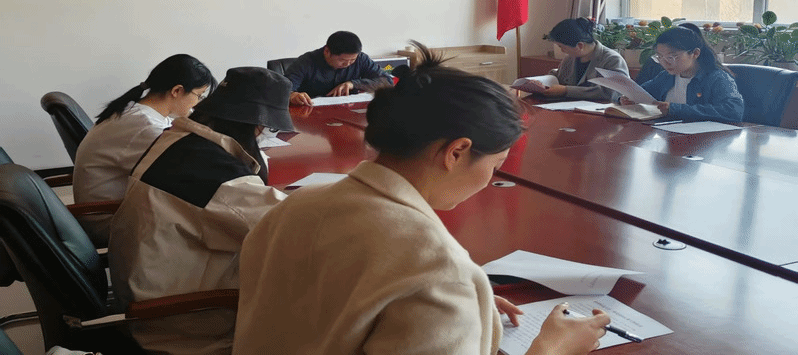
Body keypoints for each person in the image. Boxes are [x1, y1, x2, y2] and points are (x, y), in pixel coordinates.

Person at [233, 44, 610, 355]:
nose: (490, 179)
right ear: (457, 152)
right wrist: (551, 348)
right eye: (496, 164)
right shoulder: (436, 270)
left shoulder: (294, 207)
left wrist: (454, 311)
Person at [108, 67, 294, 355]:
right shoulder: (218, 176)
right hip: (182, 321)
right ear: (254, 126)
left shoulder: (179, 140)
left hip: (151, 289)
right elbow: (292, 228)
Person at [72, 53, 214, 247]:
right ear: (177, 91)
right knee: (210, 224)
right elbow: (185, 170)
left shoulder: (136, 111)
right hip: (108, 220)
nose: (198, 103)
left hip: (107, 210)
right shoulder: (145, 126)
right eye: (199, 95)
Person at [620, 23, 744, 123]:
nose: (665, 62)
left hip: (703, 140)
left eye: (672, 57)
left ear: (695, 53)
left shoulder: (717, 78)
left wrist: (675, 109)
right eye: (660, 57)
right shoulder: (666, 77)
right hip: (669, 135)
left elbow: (734, 111)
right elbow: (641, 92)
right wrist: (629, 99)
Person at [284, 30, 393, 105]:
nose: (348, 64)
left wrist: (353, 84)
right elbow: (284, 89)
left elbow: (387, 82)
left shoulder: (361, 59)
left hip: (347, 111)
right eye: (342, 60)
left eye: (352, 60)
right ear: (327, 51)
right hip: (311, 113)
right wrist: (293, 95)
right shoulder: (306, 62)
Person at [539, 17, 629, 100]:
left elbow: (611, 93)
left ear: (580, 46)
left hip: (601, 110)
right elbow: (558, 77)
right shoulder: (569, 59)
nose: (562, 51)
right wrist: (541, 82)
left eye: (562, 47)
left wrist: (566, 90)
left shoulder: (612, 60)